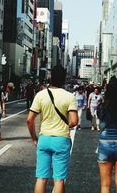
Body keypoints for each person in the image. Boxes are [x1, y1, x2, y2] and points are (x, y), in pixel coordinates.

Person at [26, 65, 78, 193]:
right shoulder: (69, 96)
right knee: (59, 179)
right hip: (61, 139)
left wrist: (34, 137)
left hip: (43, 139)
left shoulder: (40, 95)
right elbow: (74, 121)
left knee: (41, 178)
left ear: (51, 77)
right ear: (64, 78)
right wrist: (66, 126)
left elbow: (29, 120)